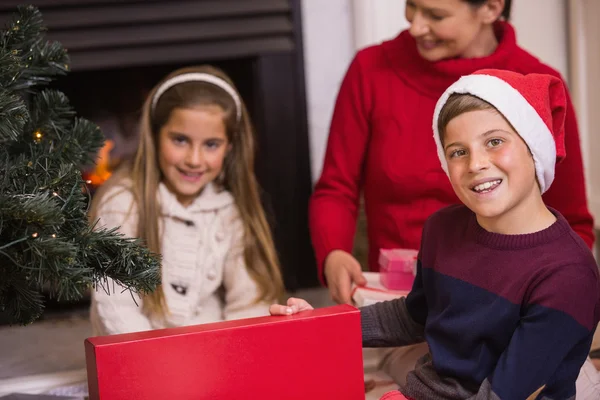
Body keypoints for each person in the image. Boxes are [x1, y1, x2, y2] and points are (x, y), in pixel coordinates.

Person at [274, 69, 600, 399]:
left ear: (533, 148)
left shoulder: (568, 275)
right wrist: (317, 324)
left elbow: (503, 394)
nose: (476, 163)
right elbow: (415, 315)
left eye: (494, 142)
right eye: (458, 151)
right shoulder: (442, 229)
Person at [310, 0, 594, 304]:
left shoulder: (538, 85)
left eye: (436, 15)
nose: (415, 26)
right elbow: (336, 187)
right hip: (396, 295)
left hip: (505, 300)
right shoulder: (370, 70)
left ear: (490, 8)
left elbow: (572, 222)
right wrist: (334, 253)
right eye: (411, 6)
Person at [89, 65, 284, 335]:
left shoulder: (227, 209)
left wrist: (236, 352)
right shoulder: (123, 204)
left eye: (211, 145)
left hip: (209, 349)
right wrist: (152, 362)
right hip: (138, 354)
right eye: (180, 140)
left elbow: (249, 299)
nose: (194, 159)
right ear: (156, 136)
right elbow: (115, 302)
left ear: (229, 147)